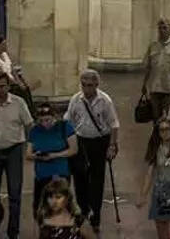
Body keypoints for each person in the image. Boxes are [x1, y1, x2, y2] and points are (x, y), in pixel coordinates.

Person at [65, 69, 120, 232]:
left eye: (90, 85)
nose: (87, 89)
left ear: (96, 85)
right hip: (81, 142)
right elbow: (69, 121)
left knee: (97, 179)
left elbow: (114, 124)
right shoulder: (75, 99)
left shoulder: (105, 101)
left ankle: (95, 213)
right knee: (79, 177)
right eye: (84, 85)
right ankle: (82, 210)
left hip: (99, 142)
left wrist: (112, 145)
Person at [0, 71, 33, 238]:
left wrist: (29, 149)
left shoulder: (19, 104)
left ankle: (13, 230)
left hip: (14, 151)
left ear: (8, 87)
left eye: (2, 86)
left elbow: (29, 125)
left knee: (14, 192)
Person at [26, 103, 77, 212]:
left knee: (59, 206)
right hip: (42, 174)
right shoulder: (35, 130)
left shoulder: (65, 127)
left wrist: (54, 155)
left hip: (60, 172)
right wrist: (36, 156)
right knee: (39, 207)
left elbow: (73, 149)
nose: (45, 124)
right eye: (41, 121)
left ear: (55, 117)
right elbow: (28, 154)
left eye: (48, 120)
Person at [0, 36, 35, 110]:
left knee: (26, 87)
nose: (5, 46)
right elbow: (1, 73)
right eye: (3, 44)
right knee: (21, 91)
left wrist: (19, 81)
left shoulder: (5, 54)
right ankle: (27, 109)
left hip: (13, 79)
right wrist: (15, 83)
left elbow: (12, 69)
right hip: (6, 81)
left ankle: (31, 110)